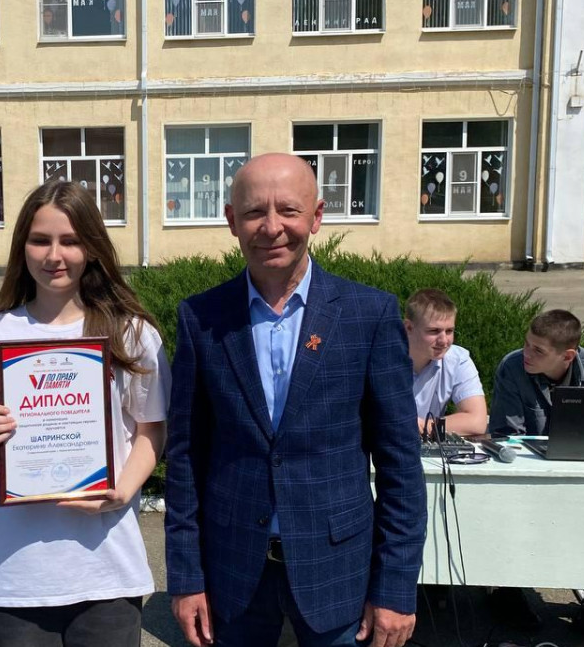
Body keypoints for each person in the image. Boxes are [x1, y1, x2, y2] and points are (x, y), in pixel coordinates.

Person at [164, 153, 427, 647]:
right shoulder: (201, 318)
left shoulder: (368, 315)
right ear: (231, 221)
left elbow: (400, 464)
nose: (271, 227)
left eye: (288, 210)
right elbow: (184, 457)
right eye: (253, 212)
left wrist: (395, 586)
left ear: (317, 216)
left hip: (338, 569)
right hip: (232, 572)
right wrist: (185, 577)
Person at [0, 180, 169, 647]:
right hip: (14, 575)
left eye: (70, 241)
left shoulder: (131, 334)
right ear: (21, 247)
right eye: (40, 240)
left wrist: (123, 490)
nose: (54, 255)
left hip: (107, 572)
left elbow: (151, 429)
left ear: (92, 248)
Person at [487, 308, 584, 638]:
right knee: (504, 496)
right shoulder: (512, 367)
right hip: (527, 472)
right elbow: (505, 435)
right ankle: (507, 588)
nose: (526, 354)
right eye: (526, 344)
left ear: (568, 355)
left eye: (538, 350)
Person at [403, 288, 487, 437]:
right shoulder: (381, 359)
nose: (443, 341)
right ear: (409, 327)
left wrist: (421, 426)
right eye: (434, 331)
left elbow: (477, 421)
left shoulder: (458, 360)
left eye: (449, 331)